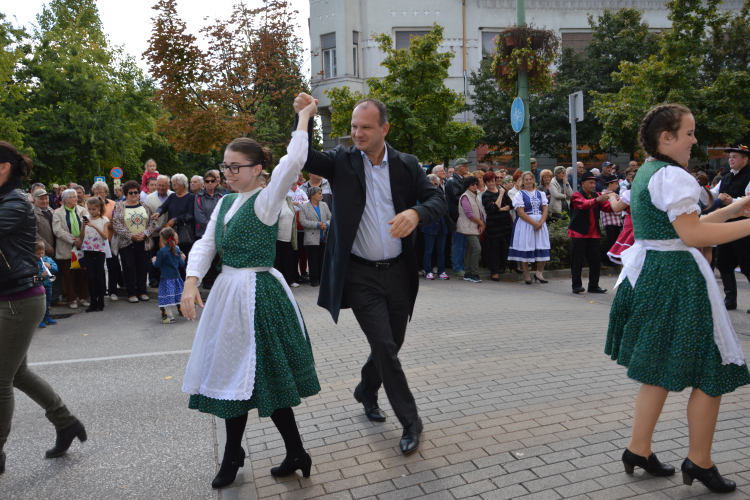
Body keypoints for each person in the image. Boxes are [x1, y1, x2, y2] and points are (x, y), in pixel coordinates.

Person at [605, 104, 750, 494]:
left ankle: (638, 449)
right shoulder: (672, 175)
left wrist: (734, 209)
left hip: (654, 274)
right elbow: (693, 237)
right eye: (689, 133)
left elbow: (684, 228)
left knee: (657, 369)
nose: (695, 139)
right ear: (666, 138)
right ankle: (699, 461)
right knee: (713, 370)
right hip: (677, 281)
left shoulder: (648, 173)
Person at [180, 99, 321, 488]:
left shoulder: (266, 197)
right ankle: (258, 452)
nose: (227, 172)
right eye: (225, 165)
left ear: (258, 169)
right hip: (228, 294)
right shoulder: (225, 202)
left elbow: (294, 161)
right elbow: (207, 244)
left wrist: (304, 118)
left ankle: (272, 452)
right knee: (231, 375)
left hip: (258, 295)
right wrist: (191, 282)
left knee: (267, 381)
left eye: (234, 166)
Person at [294, 92, 444, 454]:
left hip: (397, 273)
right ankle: (411, 421)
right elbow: (302, 156)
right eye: (353, 127)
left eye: (365, 127)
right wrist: (304, 118)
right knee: (385, 348)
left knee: (391, 345)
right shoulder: (342, 161)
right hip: (359, 275)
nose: (357, 133)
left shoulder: (407, 164)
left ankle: (365, 389)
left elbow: (439, 201)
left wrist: (416, 214)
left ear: (384, 128)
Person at [0, 141, 87, 474]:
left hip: (18, 300)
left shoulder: (13, 204)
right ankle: (66, 423)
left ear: (3, 167)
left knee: (1, 379)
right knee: (16, 373)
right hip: (11, 298)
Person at [716, 143, 750, 312]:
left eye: (735, 157)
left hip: (744, 227)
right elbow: (713, 195)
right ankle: (730, 300)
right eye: (729, 157)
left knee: (748, 264)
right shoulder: (726, 177)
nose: (731, 159)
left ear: (745, 159)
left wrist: (733, 202)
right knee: (723, 263)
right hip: (725, 227)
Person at [113, 180, 159, 303]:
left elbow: (152, 223)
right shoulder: (119, 206)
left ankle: (142, 292)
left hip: (143, 242)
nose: (134, 194)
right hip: (126, 242)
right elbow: (116, 225)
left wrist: (144, 234)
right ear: (126, 194)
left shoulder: (144, 206)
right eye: (130, 192)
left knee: (142, 267)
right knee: (128, 268)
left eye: (136, 192)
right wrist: (131, 236)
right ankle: (131, 293)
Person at [567, 171, 613, 293]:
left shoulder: (596, 195)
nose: (593, 185)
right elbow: (583, 205)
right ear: (583, 183)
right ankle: (576, 286)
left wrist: (617, 200)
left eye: (594, 183)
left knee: (595, 261)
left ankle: (593, 286)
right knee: (577, 261)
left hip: (594, 234)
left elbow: (607, 207)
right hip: (579, 233)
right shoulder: (577, 195)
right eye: (590, 183)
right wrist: (598, 199)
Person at [508, 172, 550, 284]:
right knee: (526, 246)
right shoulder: (520, 195)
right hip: (526, 225)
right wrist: (534, 223)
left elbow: (545, 209)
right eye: (526, 179)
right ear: (523, 181)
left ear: (533, 180)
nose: (528, 181)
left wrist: (541, 222)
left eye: (530, 179)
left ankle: (539, 273)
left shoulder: (541, 194)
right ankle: (527, 275)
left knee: (542, 245)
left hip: (541, 224)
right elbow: (521, 213)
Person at [52, 189, 90, 309]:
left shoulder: (82, 210)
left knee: (83, 274)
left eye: (76, 196)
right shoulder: (58, 213)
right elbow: (57, 230)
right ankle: (72, 299)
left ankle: (83, 298)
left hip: (81, 247)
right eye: (73, 196)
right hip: (67, 247)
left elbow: (87, 225)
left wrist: (81, 238)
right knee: (69, 275)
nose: (76, 198)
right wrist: (74, 240)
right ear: (66, 199)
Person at [153, 174, 196, 280]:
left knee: (184, 259)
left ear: (182, 185)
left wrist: (175, 220)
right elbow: (163, 207)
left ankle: (185, 283)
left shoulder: (191, 197)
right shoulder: (172, 196)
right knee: (173, 259)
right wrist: (158, 213)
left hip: (185, 234)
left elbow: (190, 215)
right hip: (172, 234)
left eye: (175, 185)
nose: (173, 187)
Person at [90, 181, 121, 302]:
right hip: (96, 241)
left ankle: (113, 291)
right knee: (98, 267)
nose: (98, 195)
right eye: (96, 192)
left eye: (101, 193)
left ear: (106, 193)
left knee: (112, 265)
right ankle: (101, 291)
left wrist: (105, 225)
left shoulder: (113, 204)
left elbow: (117, 222)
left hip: (110, 239)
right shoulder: (89, 205)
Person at [80, 197, 110, 312]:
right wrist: (83, 226)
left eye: (94, 209)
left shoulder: (104, 220)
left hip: (99, 250)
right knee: (90, 277)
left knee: (99, 276)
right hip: (87, 249)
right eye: (89, 209)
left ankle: (101, 301)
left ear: (99, 209)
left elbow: (105, 237)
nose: (91, 212)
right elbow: (81, 237)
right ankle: (93, 301)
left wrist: (95, 226)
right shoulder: (86, 218)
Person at [482, 171, 513, 281]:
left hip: (505, 224)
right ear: (485, 183)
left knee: (504, 246)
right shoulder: (486, 195)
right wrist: (500, 196)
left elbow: (511, 205)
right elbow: (492, 208)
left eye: (493, 181)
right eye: (488, 182)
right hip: (493, 226)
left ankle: (502, 267)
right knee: (493, 248)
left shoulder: (503, 190)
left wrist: (500, 208)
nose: (491, 184)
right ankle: (494, 271)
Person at [298, 186, 331, 287]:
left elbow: (331, 217)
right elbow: (302, 221)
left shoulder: (324, 205)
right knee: (313, 260)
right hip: (311, 238)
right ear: (312, 195)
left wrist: (327, 224)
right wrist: (317, 225)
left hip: (323, 237)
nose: (321, 195)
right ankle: (313, 280)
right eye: (319, 193)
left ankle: (322, 279)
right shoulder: (304, 207)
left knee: (322, 260)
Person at [152, 227, 185, 324]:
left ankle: (170, 317)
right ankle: (184, 312)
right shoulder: (177, 249)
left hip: (166, 278)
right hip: (177, 277)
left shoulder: (162, 251)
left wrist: (154, 260)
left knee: (166, 298)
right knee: (178, 296)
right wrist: (182, 258)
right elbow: (181, 264)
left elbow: (157, 265)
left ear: (162, 238)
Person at [421, 174, 450, 280]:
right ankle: (428, 271)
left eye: (436, 184)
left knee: (441, 251)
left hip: (442, 225)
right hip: (429, 226)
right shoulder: (423, 195)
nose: (434, 186)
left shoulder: (442, 195)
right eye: (432, 183)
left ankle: (441, 271)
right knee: (428, 250)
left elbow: (447, 210)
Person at [457, 176, 485, 283]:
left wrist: (481, 224)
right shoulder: (465, 196)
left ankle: (468, 273)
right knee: (477, 249)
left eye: (476, 183)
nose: (475, 186)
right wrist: (481, 223)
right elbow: (469, 214)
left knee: (472, 250)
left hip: (475, 226)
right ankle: (474, 273)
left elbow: (480, 212)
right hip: (468, 227)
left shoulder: (475, 195)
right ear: (467, 185)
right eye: (472, 184)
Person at [146, 175, 173, 287]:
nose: (161, 187)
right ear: (156, 185)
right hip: (155, 232)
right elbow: (148, 216)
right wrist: (158, 228)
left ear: (168, 185)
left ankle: (166, 277)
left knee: (169, 255)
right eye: (159, 185)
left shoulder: (173, 195)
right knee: (154, 254)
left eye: (164, 185)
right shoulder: (149, 198)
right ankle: (153, 278)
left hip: (170, 232)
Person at [445, 158, 470, 277]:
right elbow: (456, 198)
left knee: (463, 243)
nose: (467, 168)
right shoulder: (451, 181)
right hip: (457, 216)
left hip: (463, 216)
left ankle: (461, 266)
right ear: (459, 167)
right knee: (458, 243)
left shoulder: (461, 179)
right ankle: (457, 268)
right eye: (465, 166)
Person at [274, 190, 299, 288]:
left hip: (288, 236)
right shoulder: (274, 200)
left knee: (288, 259)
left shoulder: (288, 199)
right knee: (278, 260)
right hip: (277, 236)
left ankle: (289, 280)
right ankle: (279, 282)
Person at [600, 175, 624, 268]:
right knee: (610, 241)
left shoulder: (616, 195)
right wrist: (617, 208)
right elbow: (612, 208)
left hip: (617, 222)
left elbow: (619, 209)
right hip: (609, 221)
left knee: (615, 242)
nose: (617, 186)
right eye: (616, 184)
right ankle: (602, 260)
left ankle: (611, 260)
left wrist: (617, 208)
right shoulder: (603, 195)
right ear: (610, 184)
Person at [35, 241, 58, 328]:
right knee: (40, 304)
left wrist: (50, 267)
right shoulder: (34, 262)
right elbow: (32, 273)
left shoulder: (48, 259)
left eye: (42, 253)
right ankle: (39, 320)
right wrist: (40, 275)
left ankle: (46, 317)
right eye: (38, 253)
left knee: (47, 302)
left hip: (48, 284)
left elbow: (56, 268)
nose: (40, 255)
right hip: (39, 285)